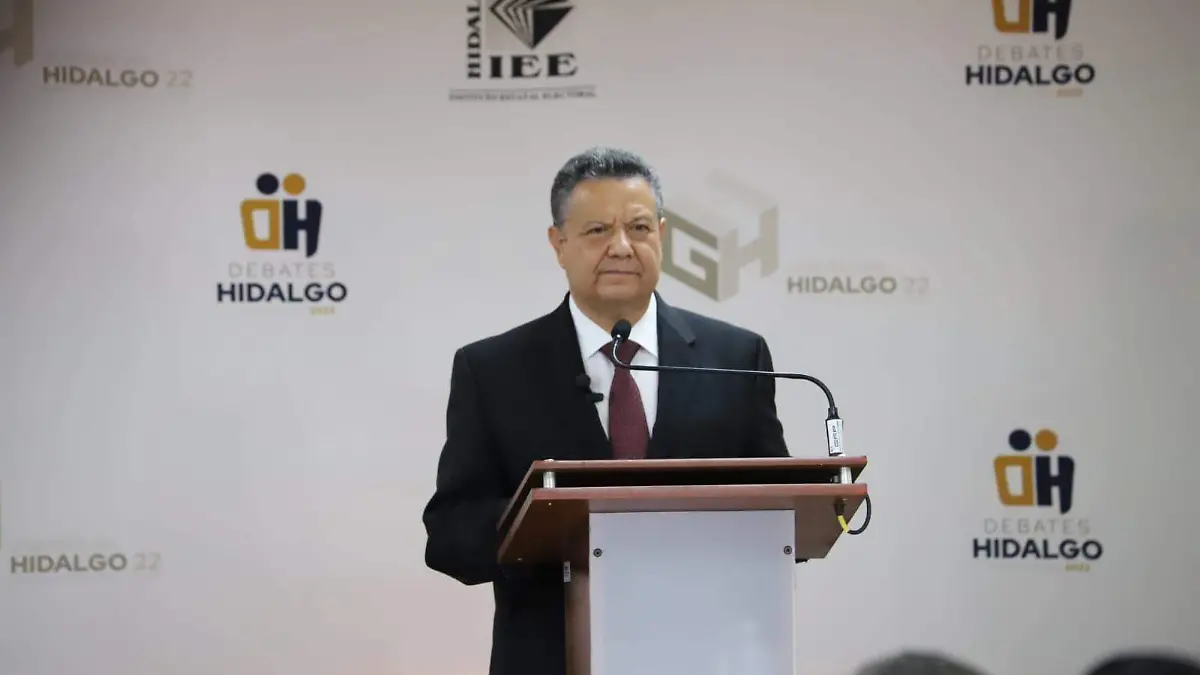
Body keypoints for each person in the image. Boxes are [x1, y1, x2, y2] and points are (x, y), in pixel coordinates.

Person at [421, 146, 791, 675]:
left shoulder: (736, 357)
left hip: (708, 652)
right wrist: (545, 523)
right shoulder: (494, 370)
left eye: (638, 228)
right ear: (559, 244)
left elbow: (779, 512)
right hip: (551, 657)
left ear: (661, 235)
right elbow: (449, 534)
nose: (621, 247)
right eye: (597, 231)